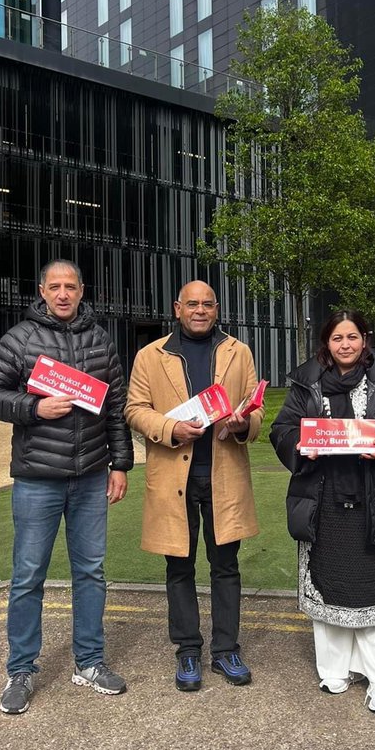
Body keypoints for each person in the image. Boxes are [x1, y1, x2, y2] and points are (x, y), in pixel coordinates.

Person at [0, 260, 133, 715]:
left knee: (91, 573)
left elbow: (116, 408)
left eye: (71, 287)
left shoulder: (101, 340)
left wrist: (120, 464)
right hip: (36, 479)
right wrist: (32, 408)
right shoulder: (19, 338)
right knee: (28, 577)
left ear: (82, 291)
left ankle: (89, 661)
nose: (63, 294)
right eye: (55, 287)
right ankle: (21, 670)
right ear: (42, 291)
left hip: (90, 477)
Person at [269, 311, 375, 713]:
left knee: (374, 588)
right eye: (337, 337)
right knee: (329, 583)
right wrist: (299, 445)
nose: (345, 344)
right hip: (321, 500)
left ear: (364, 340)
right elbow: (282, 429)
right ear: (327, 342)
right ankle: (334, 670)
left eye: (352, 336)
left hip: (374, 499)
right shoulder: (306, 384)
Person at [124, 281, 263, 692]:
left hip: (224, 477)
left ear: (216, 309)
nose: (199, 310)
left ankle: (226, 650)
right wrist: (170, 427)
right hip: (174, 477)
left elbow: (254, 417)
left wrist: (242, 424)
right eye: (192, 304)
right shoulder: (151, 356)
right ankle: (187, 649)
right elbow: (134, 409)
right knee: (178, 567)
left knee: (226, 567)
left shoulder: (239, 352)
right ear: (177, 307)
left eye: (207, 304)